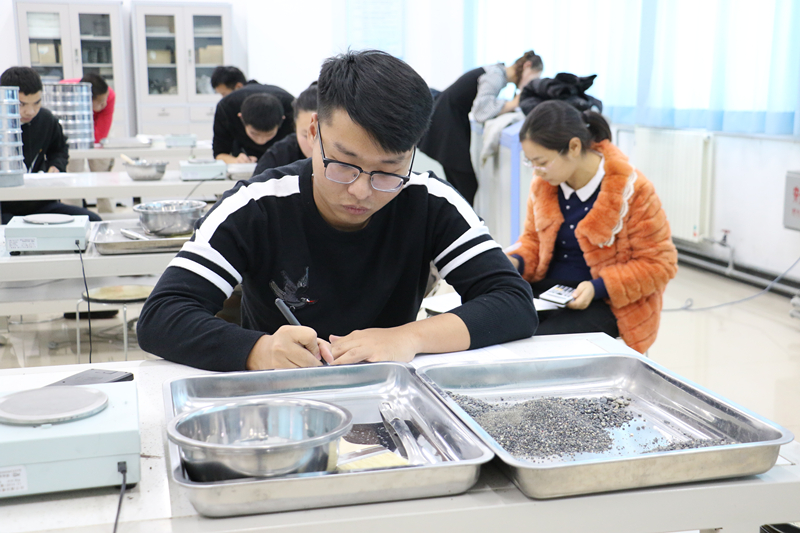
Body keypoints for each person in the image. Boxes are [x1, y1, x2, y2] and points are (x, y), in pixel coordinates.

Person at [137, 49, 537, 372]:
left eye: (388, 170)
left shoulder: (430, 201)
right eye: (343, 164)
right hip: (278, 399)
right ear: (314, 132)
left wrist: (408, 337)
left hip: (387, 392)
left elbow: (512, 302)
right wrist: (259, 350)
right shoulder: (258, 205)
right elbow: (161, 316)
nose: (361, 191)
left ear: (413, 153)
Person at [506, 100, 677, 353]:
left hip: (606, 301)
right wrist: (515, 261)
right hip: (552, 290)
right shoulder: (544, 184)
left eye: (541, 161)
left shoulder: (634, 190)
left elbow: (660, 264)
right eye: (529, 162)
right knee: (496, 322)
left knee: (537, 345)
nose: (536, 171)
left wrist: (597, 287)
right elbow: (533, 240)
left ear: (574, 147)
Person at [419, 51, 543, 206]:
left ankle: (454, 219)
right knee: (466, 184)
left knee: (458, 183)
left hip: (446, 121)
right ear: (527, 66)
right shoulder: (496, 76)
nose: (532, 83)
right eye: (534, 77)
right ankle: (460, 219)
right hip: (446, 125)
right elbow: (481, 112)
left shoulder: (495, 71)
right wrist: (514, 103)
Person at [0, 67, 101, 224]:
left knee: (92, 220)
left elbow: (59, 149)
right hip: (5, 207)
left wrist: (56, 166)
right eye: (21, 104)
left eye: (37, 103)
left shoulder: (46, 119)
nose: (30, 111)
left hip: (40, 203)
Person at [212, 82, 295, 164]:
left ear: (282, 120)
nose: (261, 141)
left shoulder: (293, 110)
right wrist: (236, 161)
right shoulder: (227, 108)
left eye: (269, 134)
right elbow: (220, 153)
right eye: (254, 133)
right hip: (244, 155)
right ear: (241, 118)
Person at [252, 81, 317, 177]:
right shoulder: (279, 155)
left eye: (321, 135)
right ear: (295, 127)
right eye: (305, 135)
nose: (314, 144)